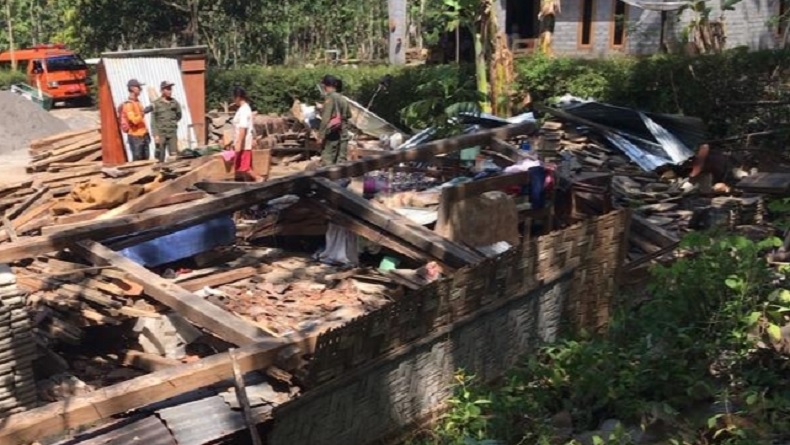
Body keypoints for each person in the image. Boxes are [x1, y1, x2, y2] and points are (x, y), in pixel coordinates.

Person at [228, 86, 262, 182]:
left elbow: (243, 128)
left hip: (244, 143)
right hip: (242, 142)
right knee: (240, 166)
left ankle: (259, 178)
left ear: (238, 97)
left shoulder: (244, 110)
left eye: (233, 97)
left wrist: (239, 142)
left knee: (244, 166)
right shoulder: (243, 109)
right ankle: (247, 183)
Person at [316, 74, 351, 167]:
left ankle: (329, 181)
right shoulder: (343, 98)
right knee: (341, 162)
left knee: (328, 161)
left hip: (333, 134)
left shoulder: (330, 98)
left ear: (324, 86)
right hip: (343, 134)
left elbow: (325, 119)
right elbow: (348, 115)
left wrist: (321, 136)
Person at [119, 79, 153, 161]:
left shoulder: (138, 102)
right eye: (138, 87)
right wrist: (144, 112)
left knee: (146, 160)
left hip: (143, 135)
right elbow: (134, 120)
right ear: (132, 88)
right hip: (135, 137)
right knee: (138, 162)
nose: (140, 89)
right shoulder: (128, 104)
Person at [152, 80, 182, 163]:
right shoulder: (156, 104)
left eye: (170, 89)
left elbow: (179, 115)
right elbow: (153, 121)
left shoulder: (174, 103)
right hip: (161, 134)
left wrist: (172, 123)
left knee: (174, 157)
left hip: (172, 133)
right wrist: (156, 135)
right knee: (160, 157)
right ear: (162, 90)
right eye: (167, 89)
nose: (170, 91)